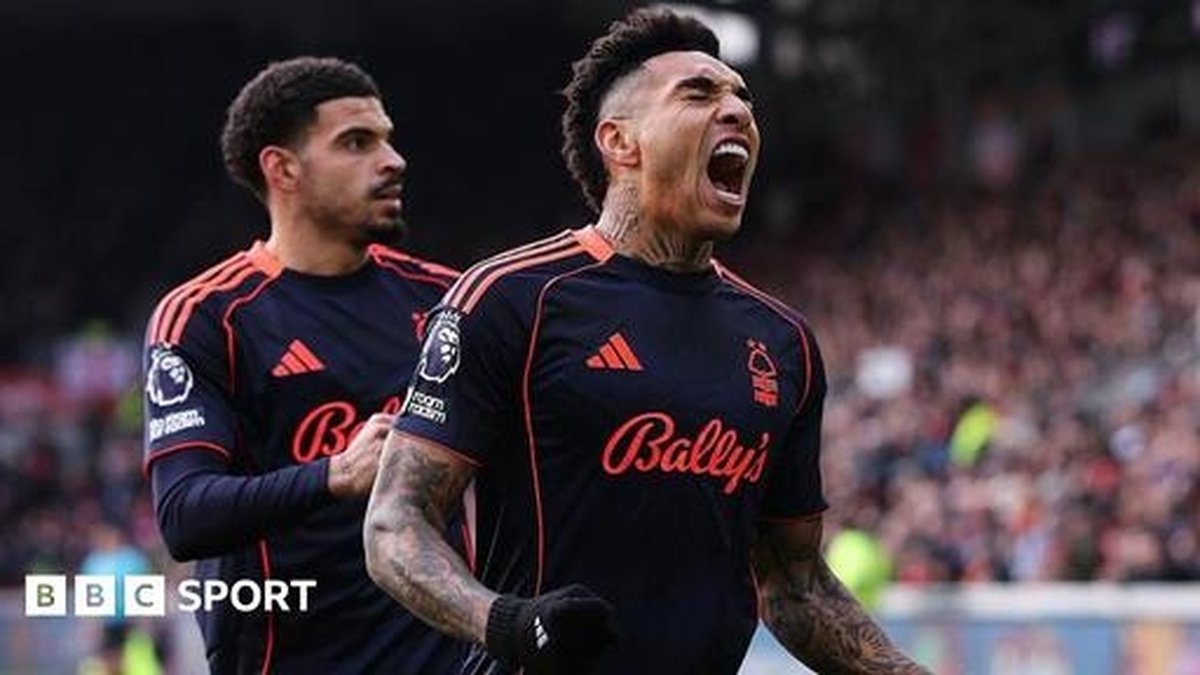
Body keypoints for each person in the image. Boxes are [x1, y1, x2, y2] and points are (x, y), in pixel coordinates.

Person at [364, 8, 926, 675]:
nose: (737, 111)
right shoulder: (511, 298)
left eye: (742, 97)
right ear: (619, 142)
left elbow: (796, 587)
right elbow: (395, 524)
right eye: (698, 94)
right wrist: (507, 622)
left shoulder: (783, 342)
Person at [142, 56, 463, 674]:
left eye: (388, 140)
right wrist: (334, 473)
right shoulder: (208, 316)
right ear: (282, 168)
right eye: (357, 143)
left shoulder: (452, 302)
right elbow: (184, 514)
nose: (393, 161)